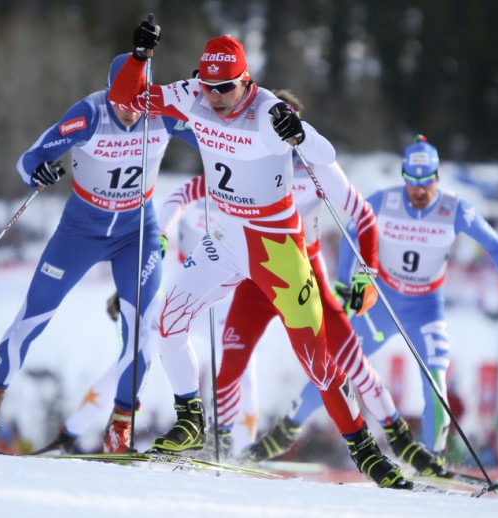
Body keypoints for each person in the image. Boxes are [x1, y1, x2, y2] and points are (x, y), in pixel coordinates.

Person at [109, 20, 411, 488]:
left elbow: (326, 154)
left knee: (316, 358)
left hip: (276, 249)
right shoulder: (194, 93)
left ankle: (365, 449)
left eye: (225, 88)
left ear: (245, 81)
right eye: (208, 86)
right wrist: (140, 58)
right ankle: (191, 419)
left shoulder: (268, 110)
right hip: (224, 240)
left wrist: (299, 134)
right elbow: (128, 100)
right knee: (166, 321)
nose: (214, 97)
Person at [0, 53, 198, 454]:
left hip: (137, 233)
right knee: (32, 315)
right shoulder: (90, 114)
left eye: (137, 104)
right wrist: (38, 171)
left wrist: (203, 103)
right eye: (121, 103)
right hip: (81, 230)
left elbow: (219, 137)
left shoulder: (163, 113)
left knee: (142, 328)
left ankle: (121, 424)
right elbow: (29, 159)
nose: (129, 113)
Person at [262, 134, 498, 465]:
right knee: (337, 364)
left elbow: (496, 248)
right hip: (382, 302)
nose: (420, 191)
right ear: (405, 177)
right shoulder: (385, 200)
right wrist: (343, 284)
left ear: (437, 178)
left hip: (426, 308)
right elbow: (351, 231)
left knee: (435, 376)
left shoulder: (455, 210)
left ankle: (433, 457)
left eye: (427, 183)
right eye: (413, 182)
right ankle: (283, 432)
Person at [37, 176, 260, 455]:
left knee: (244, 373)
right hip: (187, 296)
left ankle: (242, 453)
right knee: (133, 357)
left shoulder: (248, 189)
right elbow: (171, 206)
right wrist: (161, 237)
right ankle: (70, 436)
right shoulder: (195, 188)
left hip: (226, 301)